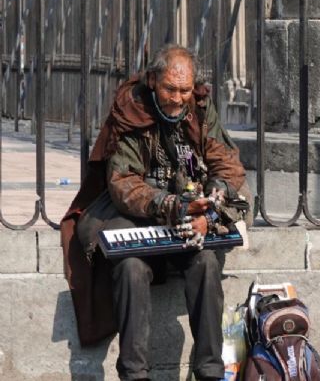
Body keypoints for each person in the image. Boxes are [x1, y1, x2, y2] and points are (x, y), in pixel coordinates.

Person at [60, 44, 250, 381]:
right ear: (153, 81)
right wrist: (171, 205)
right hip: (139, 217)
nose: (177, 99)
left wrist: (212, 207)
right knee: (131, 268)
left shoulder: (200, 108)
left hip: (188, 218)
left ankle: (209, 371)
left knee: (206, 262)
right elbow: (123, 183)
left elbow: (228, 164)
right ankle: (135, 375)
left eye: (184, 90)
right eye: (170, 89)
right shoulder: (131, 108)